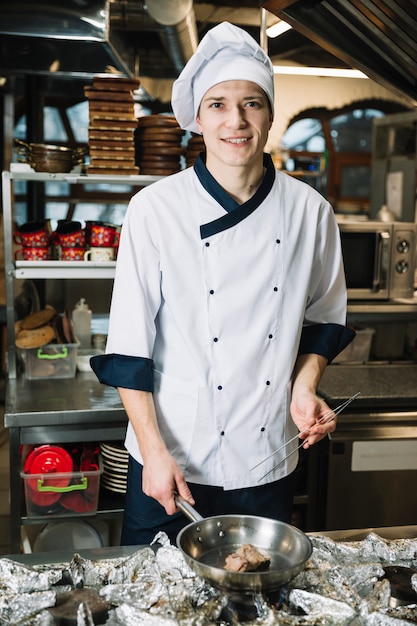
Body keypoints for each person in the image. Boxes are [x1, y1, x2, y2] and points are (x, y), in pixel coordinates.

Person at [91, 21, 354, 546]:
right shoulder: (155, 210)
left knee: (253, 604)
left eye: (252, 102)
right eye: (218, 104)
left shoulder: (310, 212)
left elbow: (324, 320)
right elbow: (129, 350)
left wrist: (304, 386)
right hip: (170, 460)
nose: (236, 120)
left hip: (265, 462)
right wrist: (154, 452)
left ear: (270, 113)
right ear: (196, 118)